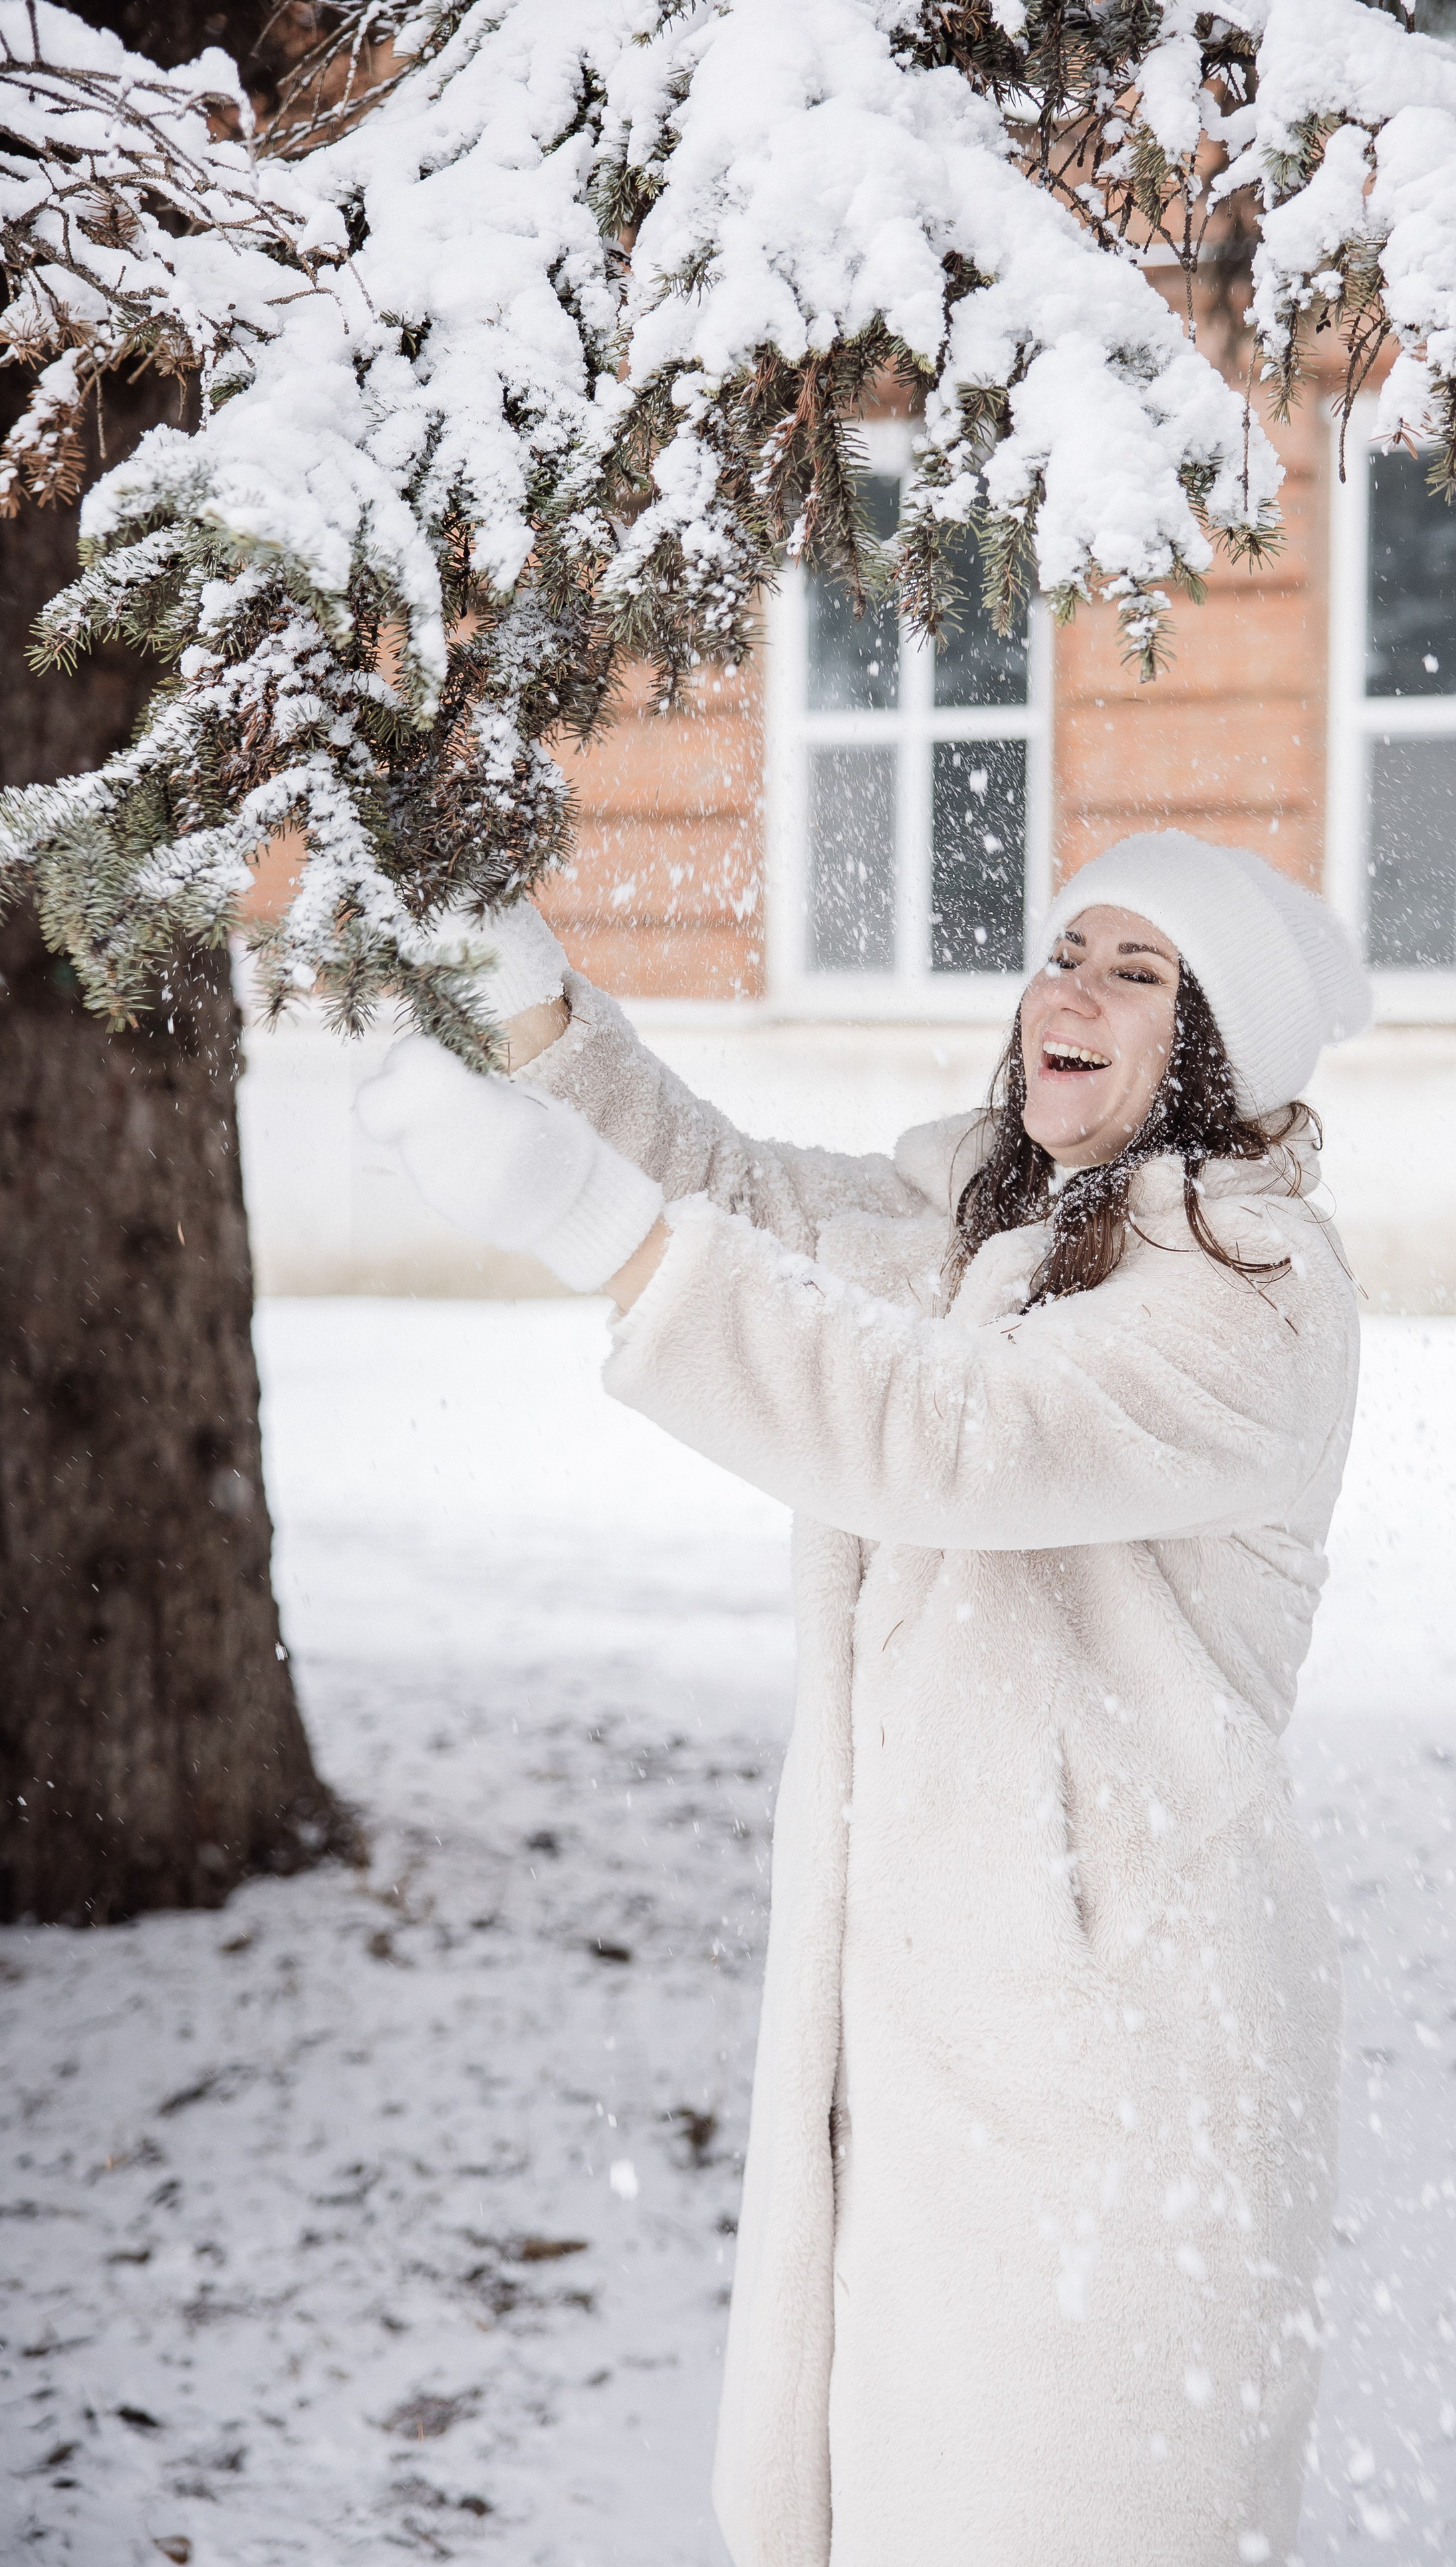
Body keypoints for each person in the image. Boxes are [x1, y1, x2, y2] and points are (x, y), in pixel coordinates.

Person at [358, 830, 1372, 2567]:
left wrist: (569, 1218)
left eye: (1142, 975)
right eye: (1069, 950)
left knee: (1065, 2514)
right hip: (929, 2038)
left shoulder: (1244, 1302)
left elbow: (937, 1435)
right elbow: (742, 1203)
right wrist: (534, 1010)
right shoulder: (992, 1219)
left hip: (1118, 2061)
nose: (1075, 993)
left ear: (1216, 1052)